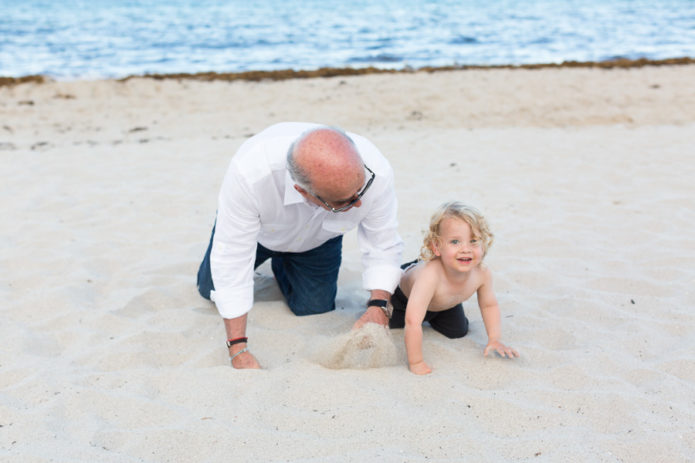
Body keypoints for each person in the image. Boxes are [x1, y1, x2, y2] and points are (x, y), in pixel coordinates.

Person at [197, 122, 403, 369]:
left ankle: (283, 266)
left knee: (314, 308)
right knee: (210, 290)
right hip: (260, 234)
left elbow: (383, 243)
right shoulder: (251, 172)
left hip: (317, 240)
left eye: (360, 189)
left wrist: (379, 305)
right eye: (344, 202)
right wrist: (238, 348)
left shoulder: (376, 170)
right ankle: (273, 258)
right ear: (302, 192)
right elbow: (232, 257)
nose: (358, 204)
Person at [389, 201, 519, 375]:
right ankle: (382, 305)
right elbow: (412, 322)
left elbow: (489, 305)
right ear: (436, 247)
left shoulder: (482, 273)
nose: (465, 249)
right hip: (402, 298)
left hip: (442, 302)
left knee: (458, 331)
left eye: (473, 241)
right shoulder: (430, 276)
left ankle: (432, 315)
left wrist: (494, 339)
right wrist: (416, 362)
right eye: (455, 242)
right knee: (390, 323)